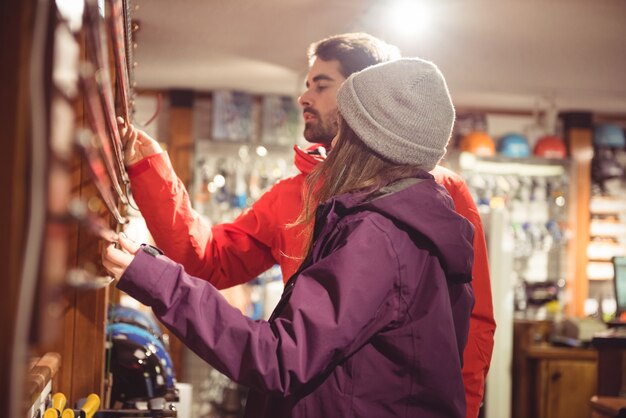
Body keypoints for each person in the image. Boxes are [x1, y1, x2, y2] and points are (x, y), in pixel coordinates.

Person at [119, 33, 495, 417]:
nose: (304, 98)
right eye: (306, 85)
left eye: (322, 85)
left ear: (364, 98)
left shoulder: (428, 197)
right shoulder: (294, 194)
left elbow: (468, 323)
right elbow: (210, 258)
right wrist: (150, 172)